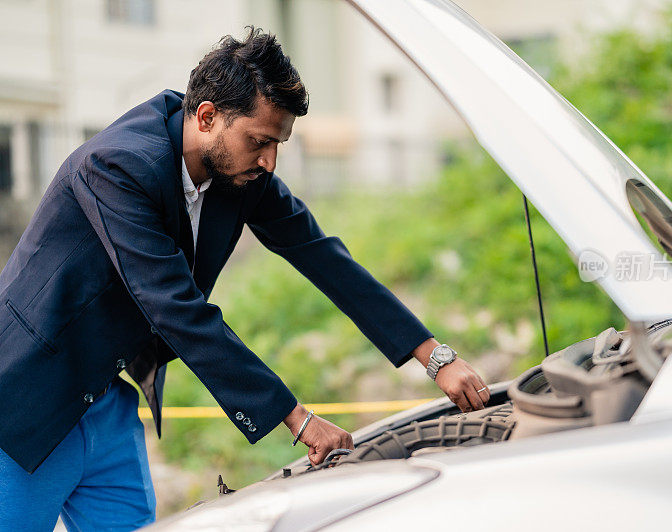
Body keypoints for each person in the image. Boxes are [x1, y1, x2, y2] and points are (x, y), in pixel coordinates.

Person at [0, 27, 490, 531]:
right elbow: (176, 308)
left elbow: (323, 257)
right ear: (208, 116)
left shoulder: (238, 171)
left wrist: (433, 355)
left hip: (107, 404)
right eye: (259, 141)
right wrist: (297, 419)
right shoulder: (117, 165)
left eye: (277, 144)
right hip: (24, 407)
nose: (270, 161)